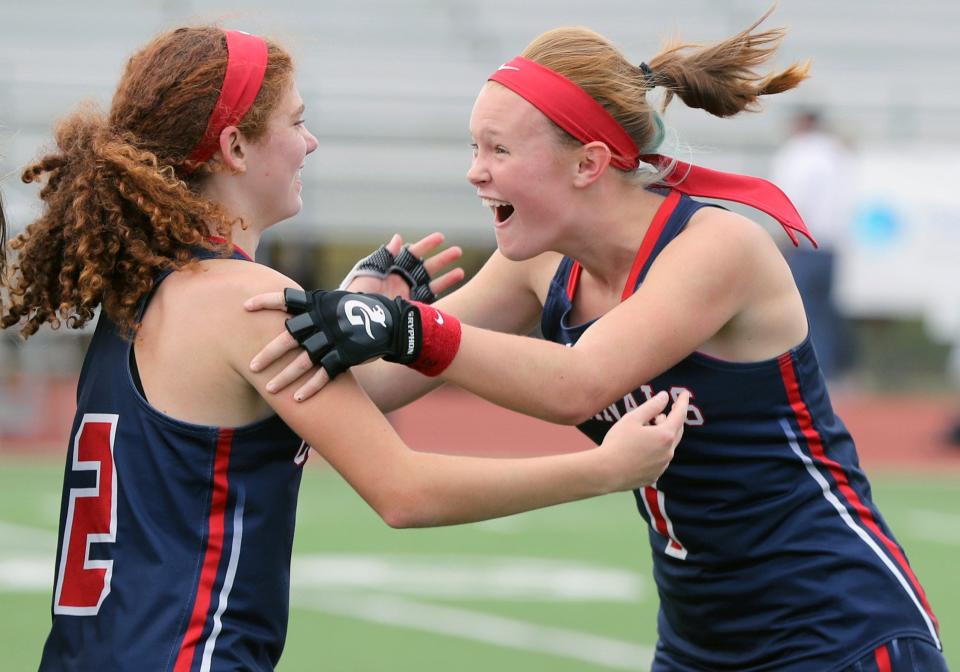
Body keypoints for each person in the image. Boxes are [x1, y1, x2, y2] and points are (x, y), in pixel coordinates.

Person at [247, 10, 948, 672]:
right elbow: (377, 389)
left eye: (498, 149)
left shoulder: (719, 248)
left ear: (587, 164)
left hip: (842, 628)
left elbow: (576, 384)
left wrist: (405, 328)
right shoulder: (537, 264)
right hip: (700, 641)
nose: (474, 170)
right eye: (472, 146)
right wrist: (358, 311)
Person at [0, 26, 689, 671]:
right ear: (236, 148)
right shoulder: (244, 301)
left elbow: (311, 401)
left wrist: (362, 312)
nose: (312, 142)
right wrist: (604, 469)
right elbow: (404, 491)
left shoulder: (151, 286)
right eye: (296, 123)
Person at [770, 108, 856, 380]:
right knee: (823, 313)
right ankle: (828, 371)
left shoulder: (799, 154)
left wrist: (785, 239)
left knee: (801, 312)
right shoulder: (836, 154)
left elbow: (793, 200)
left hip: (804, 244)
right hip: (831, 245)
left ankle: (806, 373)